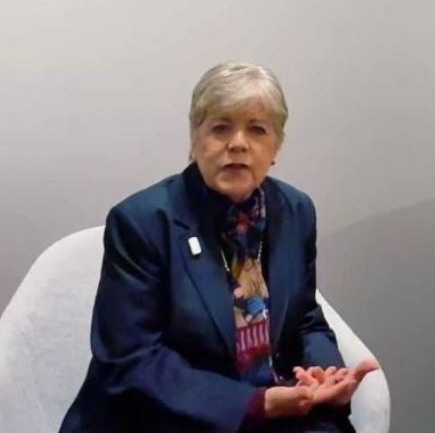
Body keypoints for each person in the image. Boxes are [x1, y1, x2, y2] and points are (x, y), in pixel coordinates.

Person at [60, 61, 379, 432]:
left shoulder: (295, 211)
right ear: (195, 141)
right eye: (221, 128)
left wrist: (323, 374)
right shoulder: (142, 222)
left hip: (273, 404)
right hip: (167, 414)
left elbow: (305, 317)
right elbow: (131, 361)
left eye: (257, 129)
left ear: (276, 147)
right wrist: (256, 404)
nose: (238, 144)